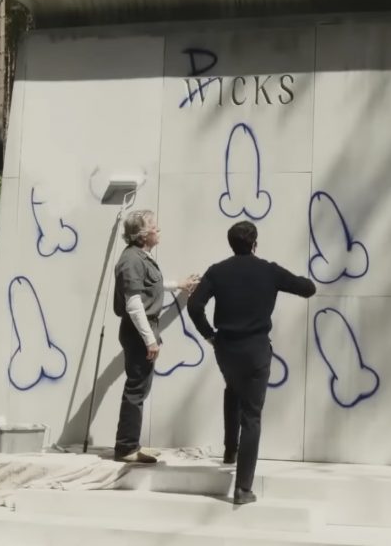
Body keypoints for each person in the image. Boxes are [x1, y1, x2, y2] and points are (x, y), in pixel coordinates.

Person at [187, 221, 316, 504]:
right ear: (255, 243)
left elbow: (194, 306)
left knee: (233, 388)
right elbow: (307, 289)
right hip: (256, 349)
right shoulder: (269, 270)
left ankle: (230, 450)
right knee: (252, 416)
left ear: (231, 243)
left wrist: (209, 335)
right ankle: (243, 489)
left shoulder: (217, 271)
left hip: (226, 349)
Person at [112, 209, 199, 463]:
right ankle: (126, 447)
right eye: (154, 227)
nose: (158, 230)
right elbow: (134, 303)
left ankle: (130, 444)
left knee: (139, 388)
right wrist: (149, 339)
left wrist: (178, 284)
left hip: (144, 329)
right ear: (142, 234)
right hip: (139, 331)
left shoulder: (140, 257)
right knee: (136, 389)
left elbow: (151, 285)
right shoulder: (131, 260)